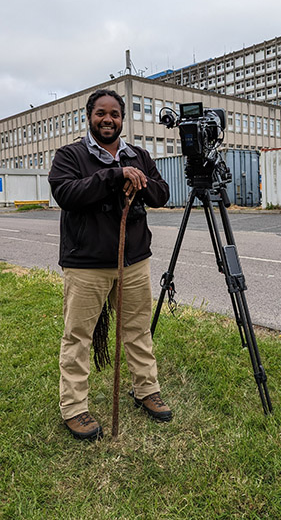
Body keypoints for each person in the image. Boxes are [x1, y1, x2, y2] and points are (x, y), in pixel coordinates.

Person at [48, 88, 172, 441]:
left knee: (137, 330)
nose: (108, 119)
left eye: (115, 114)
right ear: (89, 116)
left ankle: (146, 389)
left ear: (122, 119)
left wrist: (138, 178)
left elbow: (162, 195)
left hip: (133, 262)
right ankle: (74, 408)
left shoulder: (139, 154)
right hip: (86, 265)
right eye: (101, 113)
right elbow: (66, 194)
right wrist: (115, 176)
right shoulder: (69, 155)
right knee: (78, 336)